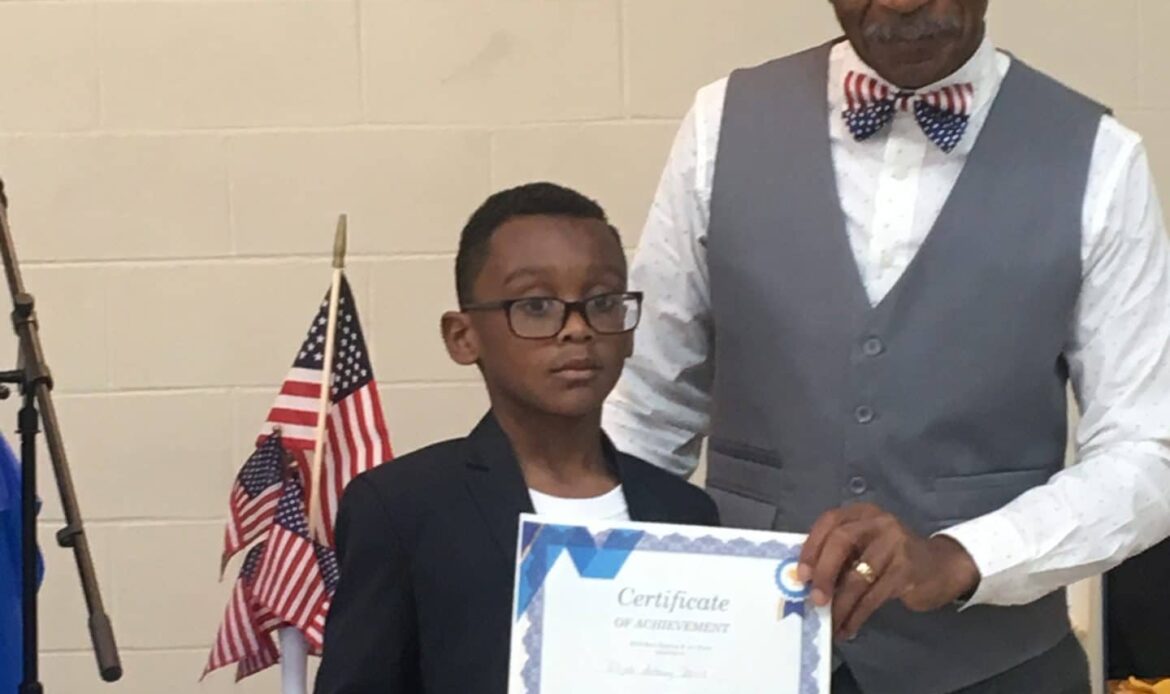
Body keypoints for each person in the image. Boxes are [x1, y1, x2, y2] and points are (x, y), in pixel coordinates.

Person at [602, 1, 1170, 692]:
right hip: (743, 653)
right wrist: (598, 603)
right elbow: (646, 408)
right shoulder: (718, 125)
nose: (902, 2)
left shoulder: (1102, 158)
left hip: (998, 668)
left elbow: (1147, 450)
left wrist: (965, 556)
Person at [314, 182, 719, 694]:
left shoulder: (685, 514)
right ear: (463, 337)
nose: (577, 328)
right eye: (536, 305)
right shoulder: (403, 508)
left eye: (602, 301)